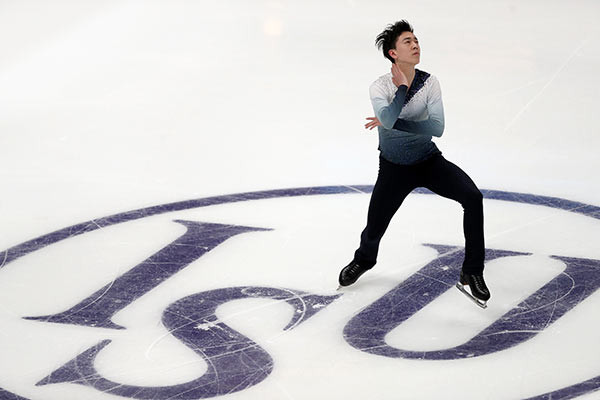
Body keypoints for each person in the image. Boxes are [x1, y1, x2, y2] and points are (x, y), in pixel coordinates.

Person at [338, 20, 490, 308]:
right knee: (374, 227)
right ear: (393, 53)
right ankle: (365, 260)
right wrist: (402, 89)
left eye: (416, 39)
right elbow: (388, 117)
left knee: (473, 197)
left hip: (428, 161)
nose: (415, 44)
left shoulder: (430, 83)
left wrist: (393, 122)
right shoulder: (380, 87)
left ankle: (472, 271)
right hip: (394, 168)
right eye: (407, 41)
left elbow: (436, 127)